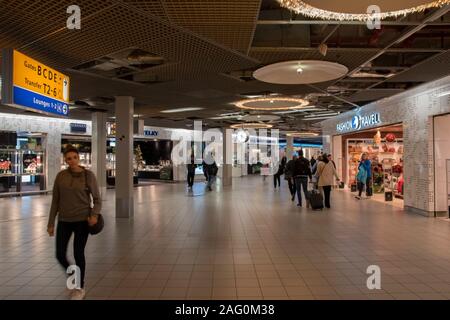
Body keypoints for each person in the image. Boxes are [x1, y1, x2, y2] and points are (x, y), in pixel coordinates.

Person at [47, 145, 101, 300]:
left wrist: (94, 215)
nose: (72, 161)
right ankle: (73, 275)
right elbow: (55, 201)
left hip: (82, 221)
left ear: (78, 158)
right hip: (64, 220)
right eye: (68, 158)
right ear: (65, 160)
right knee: (60, 255)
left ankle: (79, 287)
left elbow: (97, 199)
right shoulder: (61, 176)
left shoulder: (88, 175)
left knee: (78, 253)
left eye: (74, 157)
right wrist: (51, 223)